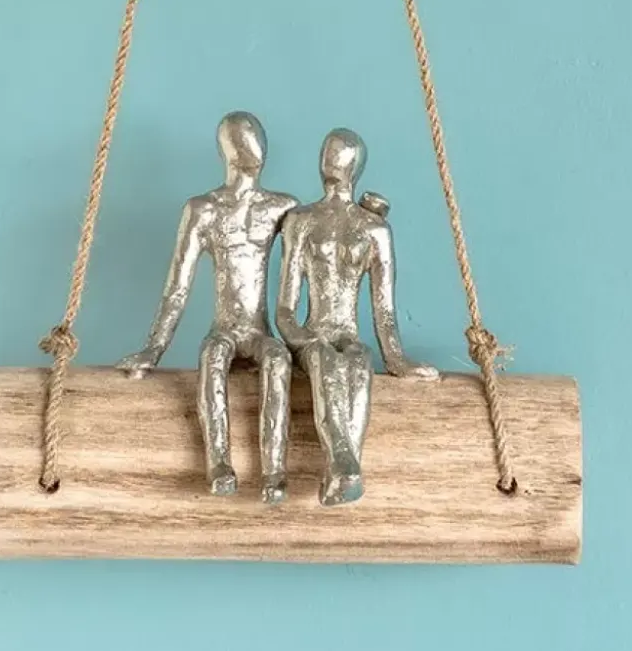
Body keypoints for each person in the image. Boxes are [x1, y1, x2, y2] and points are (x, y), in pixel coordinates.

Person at [117, 111, 297, 502]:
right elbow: (177, 287)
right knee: (212, 357)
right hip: (225, 329)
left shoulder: (281, 207)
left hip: (260, 330)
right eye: (243, 139)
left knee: (278, 359)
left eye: (255, 139)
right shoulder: (203, 209)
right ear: (227, 149)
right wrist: (154, 348)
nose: (253, 148)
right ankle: (219, 465)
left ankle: (274, 472)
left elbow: (319, 244)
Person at [275, 127, 439, 506]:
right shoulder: (301, 220)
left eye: (340, 155)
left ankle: (343, 471)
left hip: (347, 333)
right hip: (311, 335)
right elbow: (284, 309)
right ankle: (345, 465)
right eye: (328, 153)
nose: (332, 162)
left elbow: (385, 311)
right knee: (326, 359)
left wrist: (397, 360)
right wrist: (302, 338)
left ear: (356, 167)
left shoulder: (374, 229)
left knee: (360, 360)